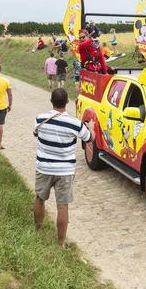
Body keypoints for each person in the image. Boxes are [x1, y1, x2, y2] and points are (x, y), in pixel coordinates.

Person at [33, 88, 95, 248]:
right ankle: (60, 244)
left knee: (40, 198)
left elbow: (36, 134)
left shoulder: (39, 119)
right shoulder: (75, 124)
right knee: (62, 206)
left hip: (43, 167)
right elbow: (89, 139)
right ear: (67, 102)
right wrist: (92, 128)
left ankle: (37, 230)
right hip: (65, 171)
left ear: (51, 101)